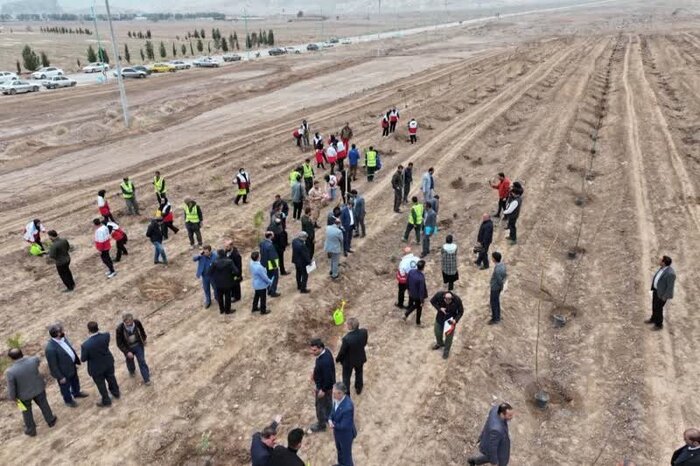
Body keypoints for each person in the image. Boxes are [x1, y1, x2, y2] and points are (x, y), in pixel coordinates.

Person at [5, 348, 57, 437]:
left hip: (23, 396)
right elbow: (38, 360)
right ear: (22, 353)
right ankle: (51, 421)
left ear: (11, 358)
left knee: (26, 412)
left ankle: (31, 430)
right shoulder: (33, 360)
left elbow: (11, 387)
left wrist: (13, 398)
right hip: (38, 388)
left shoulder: (10, 372)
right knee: (44, 404)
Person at [45, 323, 87, 407]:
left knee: (75, 381)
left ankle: (76, 393)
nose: (63, 331)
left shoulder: (63, 338)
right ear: (57, 334)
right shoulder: (50, 348)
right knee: (65, 388)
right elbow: (53, 365)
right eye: (61, 331)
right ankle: (68, 401)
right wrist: (60, 377)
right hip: (63, 373)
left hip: (71, 366)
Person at [80, 321, 120, 408]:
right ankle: (116, 393)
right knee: (111, 378)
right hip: (108, 363)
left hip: (96, 368)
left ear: (89, 330)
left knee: (101, 385)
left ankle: (106, 400)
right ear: (97, 328)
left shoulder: (85, 345)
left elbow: (83, 359)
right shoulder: (106, 336)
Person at [308, 339, 335, 433]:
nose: (312, 352)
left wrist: (322, 390)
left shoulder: (324, 362)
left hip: (324, 387)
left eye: (314, 350)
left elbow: (328, 377)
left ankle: (321, 425)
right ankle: (330, 417)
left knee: (319, 406)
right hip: (328, 387)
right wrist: (314, 373)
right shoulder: (326, 351)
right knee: (328, 403)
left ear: (320, 348)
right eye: (311, 349)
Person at [115, 313, 150, 385]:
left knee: (142, 361)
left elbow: (142, 330)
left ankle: (147, 379)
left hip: (138, 346)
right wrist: (127, 352)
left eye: (131, 321)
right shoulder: (119, 329)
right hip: (128, 348)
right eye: (127, 322)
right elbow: (119, 343)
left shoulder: (137, 322)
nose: (129, 323)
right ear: (124, 322)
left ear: (132, 319)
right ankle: (131, 371)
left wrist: (144, 339)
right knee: (130, 361)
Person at [336, 318, 368, 396]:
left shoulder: (347, 339)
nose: (346, 325)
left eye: (347, 324)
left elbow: (342, 352)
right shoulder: (364, 332)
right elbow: (364, 342)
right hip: (360, 357)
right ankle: (359, 388)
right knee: (359, 373)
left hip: (348, 362)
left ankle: (347, 395)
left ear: (350, 326)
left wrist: (337, 359)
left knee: (346, 378)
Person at [429, 291, 464, 359]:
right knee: (437, 332)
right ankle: (439, 343)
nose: (447, 302)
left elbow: (461, 311)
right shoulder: (439, 295)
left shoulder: (457, 300)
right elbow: (432, 301)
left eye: (449, 300)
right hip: (440, 318)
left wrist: (455, 320)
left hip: (450, 320)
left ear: (452, 298)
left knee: (449, 337)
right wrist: (439, 308)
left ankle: (446, 350)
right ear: (444, 298)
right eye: (446, 300)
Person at [329, 382, 357, 466]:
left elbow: (344, 425)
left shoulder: (347, 407)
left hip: (345, 436)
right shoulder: (337, 399)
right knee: (339, 451)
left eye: (334, 393)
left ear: (341, 393)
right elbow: (333, 411)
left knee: (347, 456)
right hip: (337, 434)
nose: (332, 395)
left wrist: (333, 424)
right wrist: (330, 418)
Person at [646, 255, 676, 331]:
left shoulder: (671, 273)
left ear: (664, 263)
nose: (659, 261)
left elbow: (670, 287)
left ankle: (659, 324)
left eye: (661, 260)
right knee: (654, 306)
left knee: (659, 308)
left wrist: (665, 297)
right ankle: (653, 319)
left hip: (662, 295)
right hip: (656, 291)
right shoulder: (662, 268)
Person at [209, 249, 238, 314]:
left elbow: (209, 272)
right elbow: (236, 271)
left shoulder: (215, 262)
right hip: (227, 282)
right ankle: (227, 310)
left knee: (220, 297)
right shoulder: (229, 261)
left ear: (218, 255)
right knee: (227, 296)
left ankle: (221, 310)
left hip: (218, 283)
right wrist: (231, 275)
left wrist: (216, 277)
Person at [404, 260, 427, 325]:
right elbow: (421, 290)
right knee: (419, 308)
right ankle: (418, 322)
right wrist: (422, 301)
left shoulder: (411, 271)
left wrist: (408, 289)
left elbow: (407, 281)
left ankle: (406, 314)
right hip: (417, 296)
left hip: (411, 292)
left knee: (414, 305)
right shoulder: (421, 277)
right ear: (423, 267)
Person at [260, 231, 281, 297]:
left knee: (268, 276)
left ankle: (269, 289)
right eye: (273, 235)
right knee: (275, 277)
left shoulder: (262, 243)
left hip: (264, 263)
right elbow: (273, 256)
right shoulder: (270, 245)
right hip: (271, 263)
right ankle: (273, 291)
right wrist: (275, 265)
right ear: (270, 236)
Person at [489, 252, 507, 325]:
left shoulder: (497, 270)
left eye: (492, 257)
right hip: (498, 287)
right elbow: (505, 275)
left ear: (494, 259)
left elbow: (499, 281)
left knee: (493, 303)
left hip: (495, 288)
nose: (492, 258)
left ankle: (495, 318)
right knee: (497, 302)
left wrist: (501, 286)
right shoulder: (503, 265)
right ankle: (497, 315)